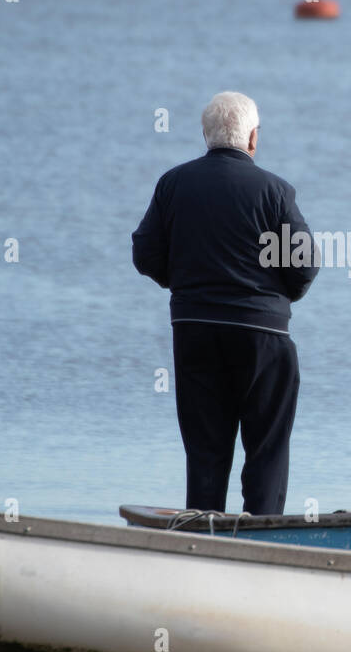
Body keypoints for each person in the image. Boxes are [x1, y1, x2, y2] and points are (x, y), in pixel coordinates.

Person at [132, 92, 318, 515]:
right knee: (266, 450)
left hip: (195, 329)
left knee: (205, 454)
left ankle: (202, 544)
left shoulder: (173, 184)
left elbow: (144, 254)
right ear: (253, 137)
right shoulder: (275, 191)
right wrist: (277, 298)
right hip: (263, 336)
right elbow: (304, 265)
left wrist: (183, 285)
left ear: (206, 134)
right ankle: (263, 546)